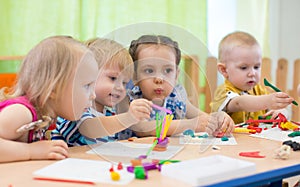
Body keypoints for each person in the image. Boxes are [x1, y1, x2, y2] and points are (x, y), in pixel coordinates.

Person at [0, 35, 99, 163]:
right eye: (87, 85)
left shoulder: (46, 116)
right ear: (53, 89)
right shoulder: (21, 112)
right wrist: (30, 151)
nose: (93, 95)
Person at [117, 34, 234, 137]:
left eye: (167, 71)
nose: (159, 79)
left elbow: (201, 117)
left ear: (176, 75)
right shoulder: (126, 98)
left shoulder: (176, 97)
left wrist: (218, 118)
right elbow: (142, 128)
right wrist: (191, 124)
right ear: (135, 76)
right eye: (149, 71)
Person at [52, 38, 152, 146]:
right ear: (88, 75)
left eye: (124, 83)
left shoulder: (109, 115)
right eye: (113, 78)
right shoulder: (75, 110)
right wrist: (128, 117)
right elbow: (90, 129)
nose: (120, 88)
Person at [210, 31, 294, 124]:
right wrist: (268, 100)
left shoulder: (259, 91)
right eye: (244, 68)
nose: (252, 73)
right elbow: (239, 103)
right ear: (224, 70)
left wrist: (281, 112)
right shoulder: (224, 91)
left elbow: (274, 108)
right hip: (231, 138)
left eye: (256, 67)